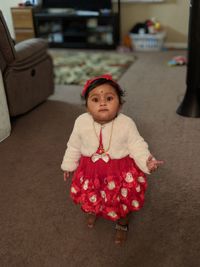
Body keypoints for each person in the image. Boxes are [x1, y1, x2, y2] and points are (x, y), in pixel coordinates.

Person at [61, 74, 164, 245]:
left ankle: (122, 223)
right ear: (87, 107)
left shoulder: (126, 123)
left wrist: (146, 161)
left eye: (109, 98)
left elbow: (137, 145)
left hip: (119, 173)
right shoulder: (81, 122)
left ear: (120, 105)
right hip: (90, 172)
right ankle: (93, 210)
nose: (102, 103)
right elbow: (73, 145)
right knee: (91, 195)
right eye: (95, 99)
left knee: (122, 202)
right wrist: (69, 165)